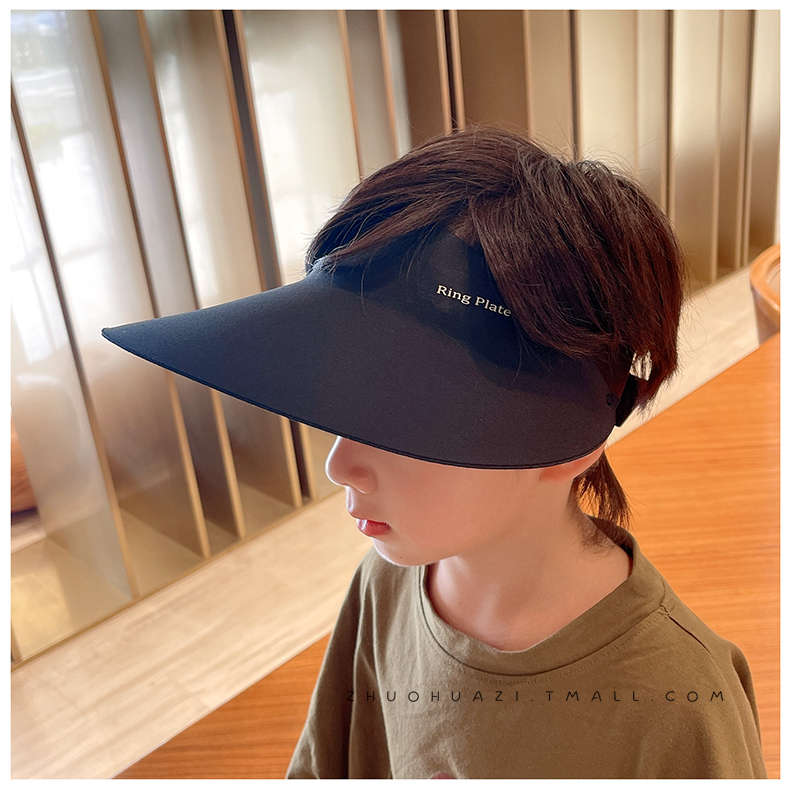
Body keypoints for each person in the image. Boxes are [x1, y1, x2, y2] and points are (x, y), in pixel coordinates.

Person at [101, 126, 767, 779]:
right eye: (349, 406)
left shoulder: (680, 703)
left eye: (406, 423)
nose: (340, 465)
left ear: (564, 444)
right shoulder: (386, 584)